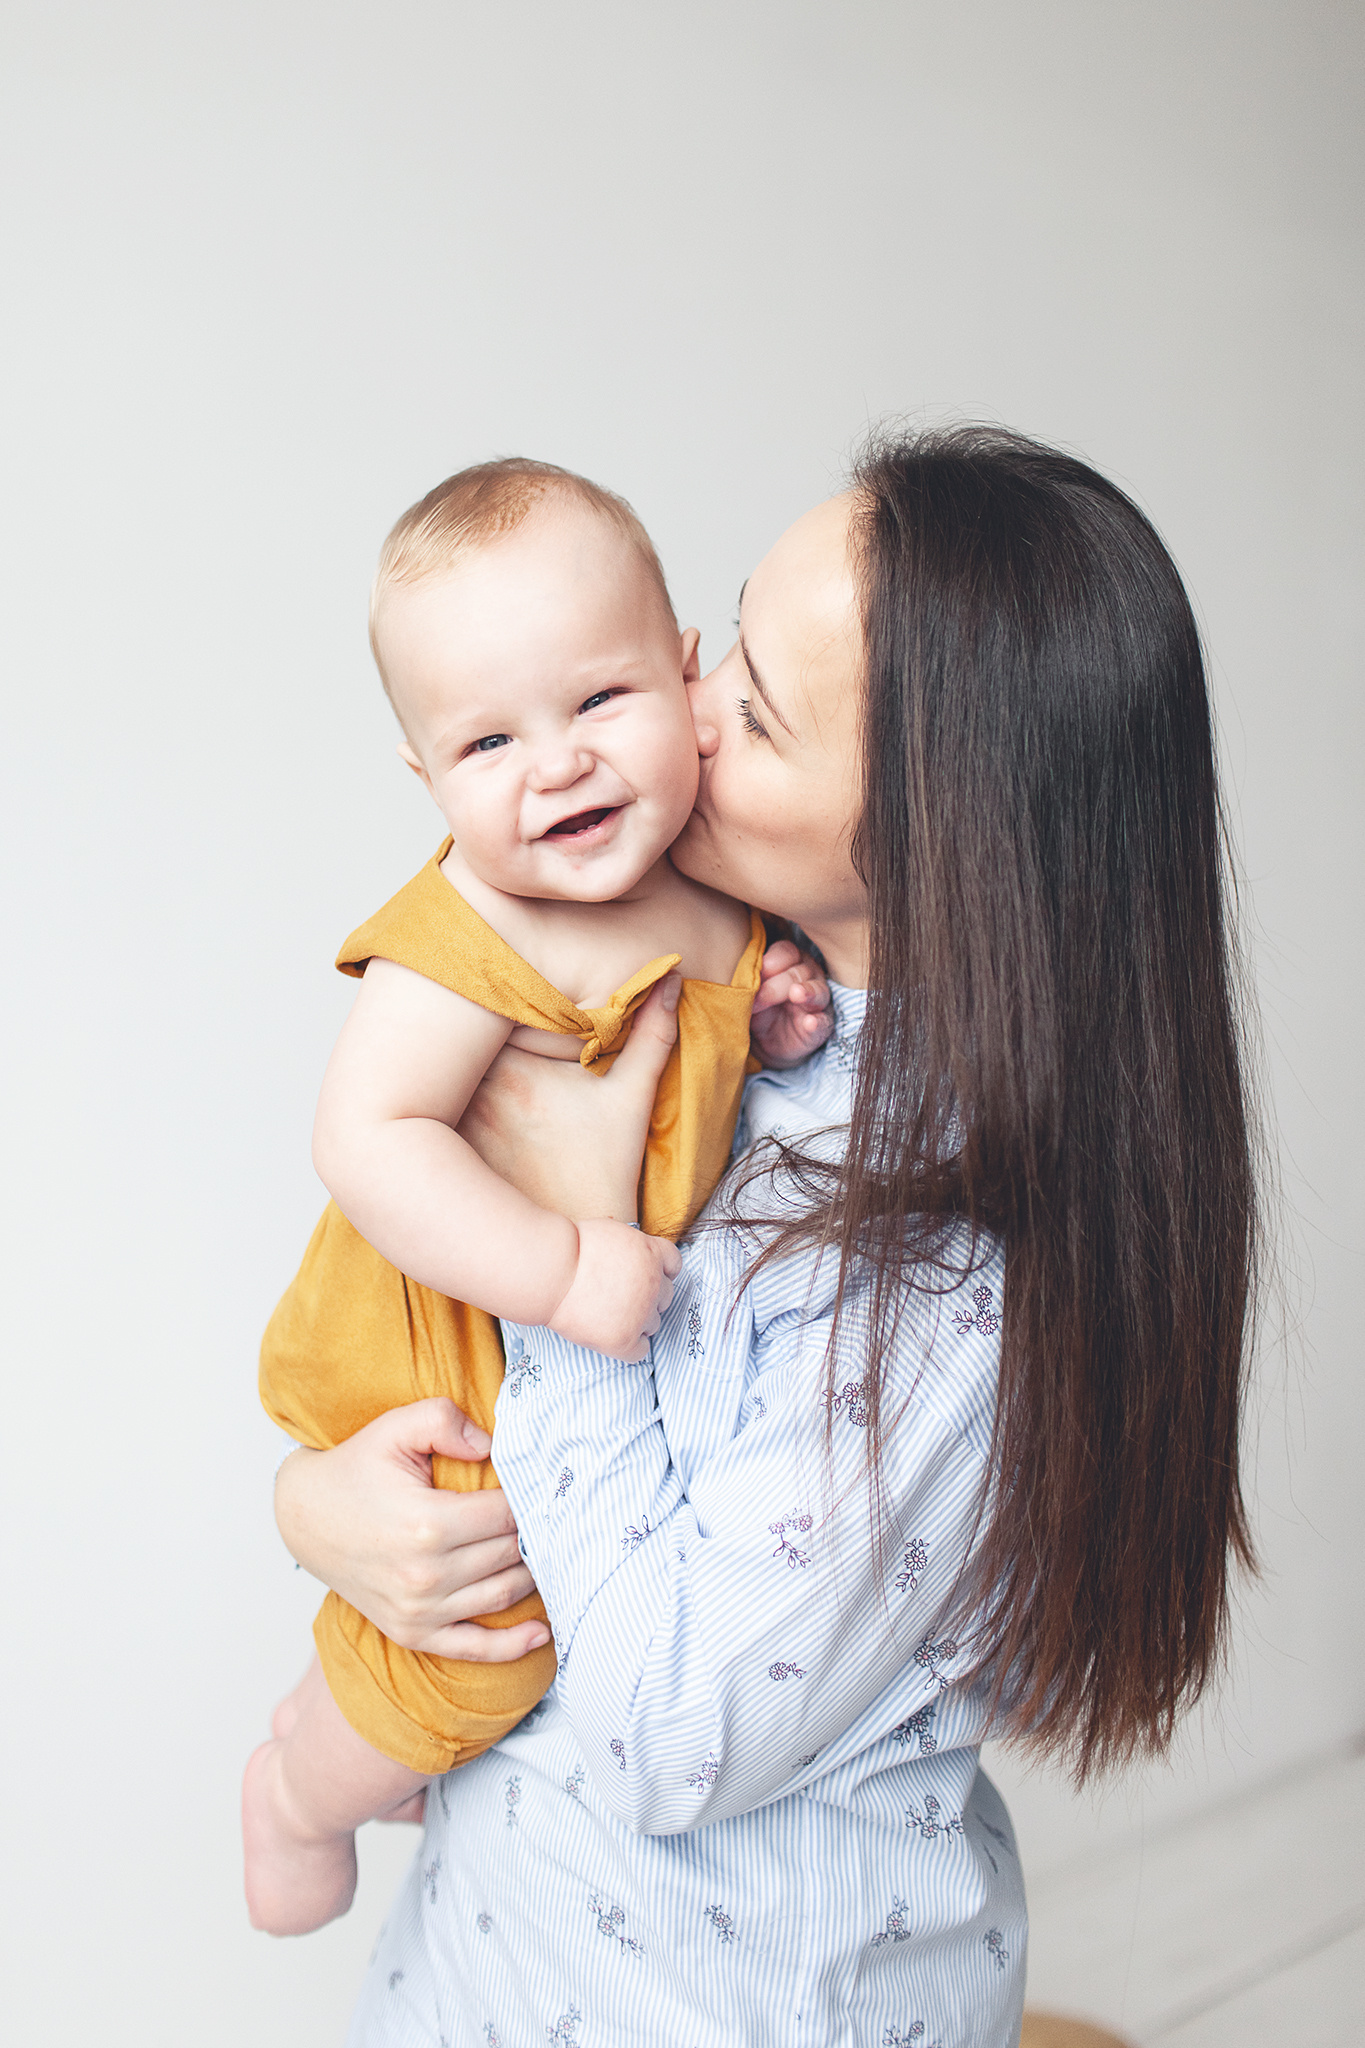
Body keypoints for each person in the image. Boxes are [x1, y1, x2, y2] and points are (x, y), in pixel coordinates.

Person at [273, 427, 1258, 2048]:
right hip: (487, 1964)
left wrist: (569, 1248)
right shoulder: (721, 1010)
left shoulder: (952, 1278)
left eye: (759, 712)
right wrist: (324, 1502)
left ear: (950, 843)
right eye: (726, 634)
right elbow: (418, 1323)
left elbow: (672, 1732)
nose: (682, 710)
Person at [244, 459, 832, 1935]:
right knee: (484, 1629)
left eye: (599, 702)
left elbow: (682, 1072)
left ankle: (380, 1759)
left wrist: (756, 1020)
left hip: (555, 1355)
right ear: (426, 779)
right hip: (438, 1345)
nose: (555, 764)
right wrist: (562, 1272)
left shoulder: (705, 883)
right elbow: (368, 1138)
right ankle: (299, 1789)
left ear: (685, 674)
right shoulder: (472, 927)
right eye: (489, 738)